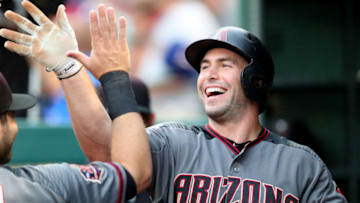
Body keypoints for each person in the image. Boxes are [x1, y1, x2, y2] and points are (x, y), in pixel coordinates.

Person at [1, 1, 348, 202]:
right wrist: (69, 69)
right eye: (204, 67)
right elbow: (109, 158)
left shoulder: (302, 164)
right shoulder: (174, 142)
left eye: (224, 65)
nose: (208, 74)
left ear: (255, 81)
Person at [0, 1, 151, 202]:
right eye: (8, 115)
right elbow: (134, 174)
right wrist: (113, 76)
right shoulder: (37, 186)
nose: (14, 122)